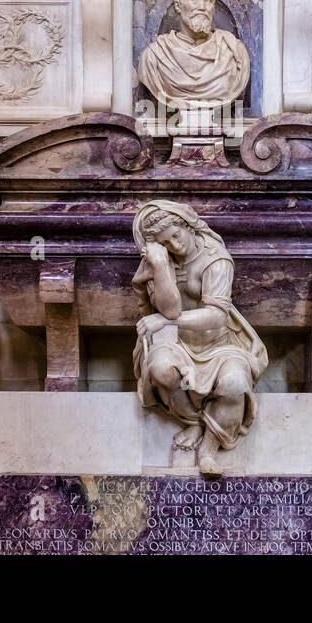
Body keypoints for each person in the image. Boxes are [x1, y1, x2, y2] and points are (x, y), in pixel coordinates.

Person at [132, 200, 268, 477]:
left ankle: (208, 448)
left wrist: (164, 320)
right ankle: (194, 421)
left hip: (221, 344)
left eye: (176, 235)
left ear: (187, 225)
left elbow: (216, 315)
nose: (175, 245)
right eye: (165, 242)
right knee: (161, 369)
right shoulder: (162, 260)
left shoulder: (216, 259)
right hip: (177, 341)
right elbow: (170, 308)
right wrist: (159, 264)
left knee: (234, 383)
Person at [135, 0, 250, 109]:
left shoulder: (234, 52)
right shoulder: (154, 56)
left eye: (207, 1)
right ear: (178, 6)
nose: (202, 7)